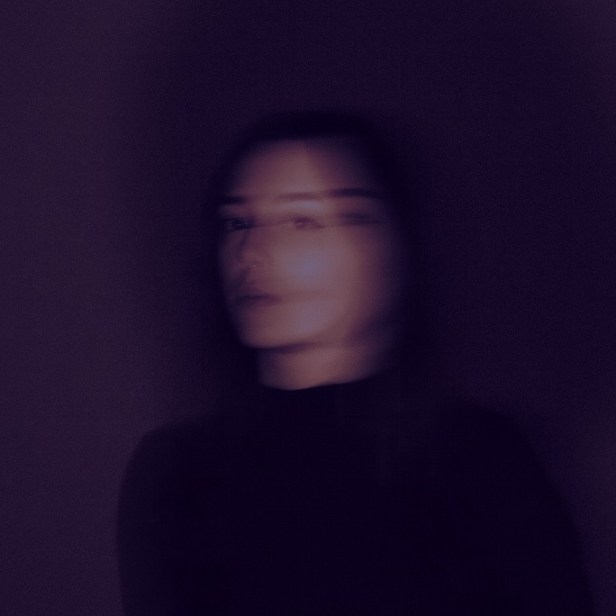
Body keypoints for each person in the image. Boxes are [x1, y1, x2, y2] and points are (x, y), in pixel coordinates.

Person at [117, 112, 593, 615]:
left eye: (303, 221)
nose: (251, 252)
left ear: (395, 246)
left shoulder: (483, 461)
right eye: (237, 222)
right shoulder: (176, 476)